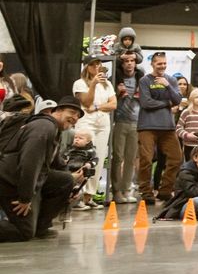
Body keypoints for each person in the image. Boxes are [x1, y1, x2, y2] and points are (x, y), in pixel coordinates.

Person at [0, 96, 85, 242]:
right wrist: (25, 198)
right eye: (71, 112)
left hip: (19, 178)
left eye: (78, 116)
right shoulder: (44, 127)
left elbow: (58, 163)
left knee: (65, 180)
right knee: (24, 232)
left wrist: (73, 186)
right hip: (8, 179)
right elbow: (29, 163)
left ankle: (41, 226)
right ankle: (33, 227)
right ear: (56, 111)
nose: (75, 118)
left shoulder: (53, 130)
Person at [136, 51, 182, 204]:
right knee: (146, 160)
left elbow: (177, 100)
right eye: (159, 63)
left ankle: (165, 191)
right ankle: (146, 192)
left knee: (176, 158)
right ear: (152, 64)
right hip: (147, 126)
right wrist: (166, 104)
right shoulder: (144, 81)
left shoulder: (171, 80)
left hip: (167, 127)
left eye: (164, 63)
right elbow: (146, 103)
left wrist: (168, 86)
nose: (162, 66)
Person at [72, 56, 116, 204]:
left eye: (99, 64)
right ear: (87, 67)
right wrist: (93, 84)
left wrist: (97, 107)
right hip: (86, 122)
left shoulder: (107, 84)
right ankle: (78, 194)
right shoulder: (79, 83)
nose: (97, 67)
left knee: (99, 157)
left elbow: (113, 104)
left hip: (103, 122)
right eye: (93, 65)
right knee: (84, 157)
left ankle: (89, 195)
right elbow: (86, 102)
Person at [111, 48, 143, 203]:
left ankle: (126, 190)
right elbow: (109, 100)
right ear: (121, 63)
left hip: (136, 122)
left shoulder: (141, 78)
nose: (129, 64)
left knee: (131, 159)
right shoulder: (116, 78)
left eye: (132, 60)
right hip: (119, 121)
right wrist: (118, 93)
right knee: (117, 158)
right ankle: (116, 191)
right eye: (126, 61)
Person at [65, 126, 99, 210]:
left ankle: (78, 202)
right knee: (68, 186)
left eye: (80, 138)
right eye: (75, 137)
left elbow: (95, 159)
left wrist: (89, 164)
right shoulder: (70, 149)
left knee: (79, 188)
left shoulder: (91, 151)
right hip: (69, 170)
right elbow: (64, 156)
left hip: (82, 172)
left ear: (88, 141)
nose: (77, 139)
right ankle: (68, 202)